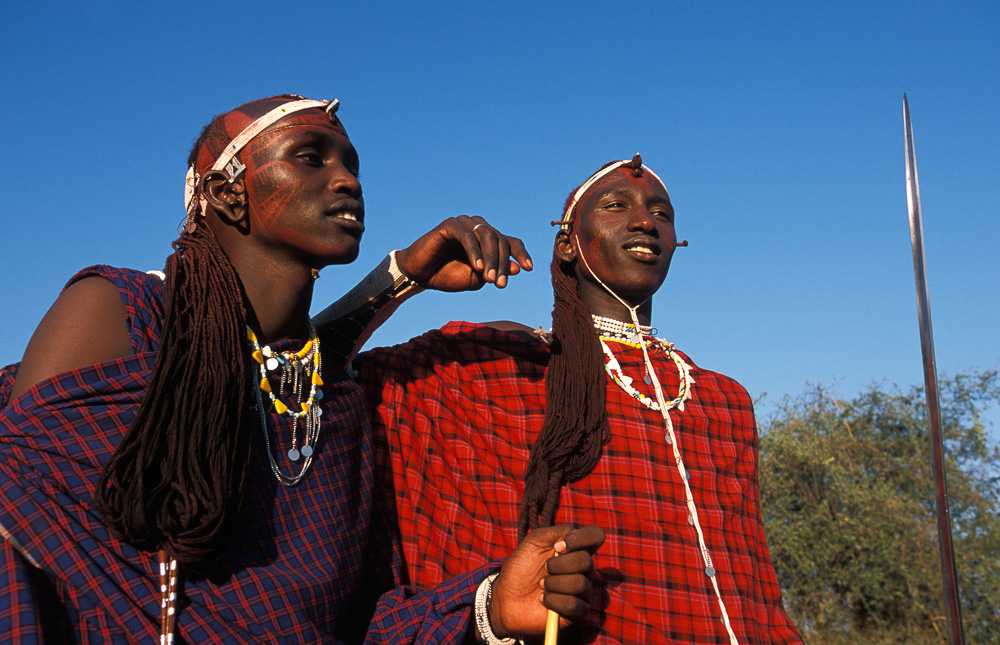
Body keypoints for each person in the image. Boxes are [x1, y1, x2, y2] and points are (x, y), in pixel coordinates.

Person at [0, 95, 603, 644]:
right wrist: (400, 276)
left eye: (351, 163)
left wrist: (491, 605)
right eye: (309, 157)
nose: (347, 181)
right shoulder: (122, 312)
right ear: (227, 193)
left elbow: (361, 621)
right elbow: (25, 528)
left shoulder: (335, 404)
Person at [345, 155, 804, 644]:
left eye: (662, 214)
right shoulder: (492, 365)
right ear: (567, 244)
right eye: (615, 205)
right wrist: (401, 275)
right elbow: (307, 375)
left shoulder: (723, 402)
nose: (645, 221)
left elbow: (755, 584)